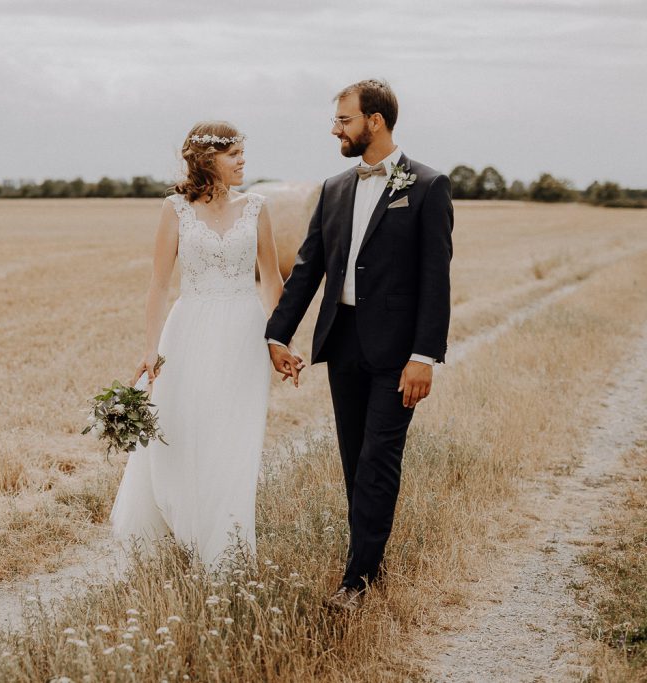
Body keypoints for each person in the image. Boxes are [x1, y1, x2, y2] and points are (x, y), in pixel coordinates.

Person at [266, 79, 453, 611]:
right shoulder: (333, 188)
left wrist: (424, 356)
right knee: (354, 462)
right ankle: (370, 559)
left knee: (377, 459)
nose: (335, 129)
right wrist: (277, 333)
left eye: (343, 120)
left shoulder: (428, 185)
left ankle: (356, 583)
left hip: (398, 355)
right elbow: (307, 271)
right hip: (342, 343)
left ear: (375, 121)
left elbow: (435, 279)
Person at [109, 121, 286, 571]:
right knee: (182, 430)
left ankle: (226, 552)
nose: (243, 161)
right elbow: (158, 285)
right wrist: (152, 350)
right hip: (188, 330)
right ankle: (181, 530)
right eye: (234, 155)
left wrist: (277, 339)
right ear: (208, 159)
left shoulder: (257, 208)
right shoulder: (175, 210)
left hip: (244, 335)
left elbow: (272, 280)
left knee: (234, 439)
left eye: (243, 153)